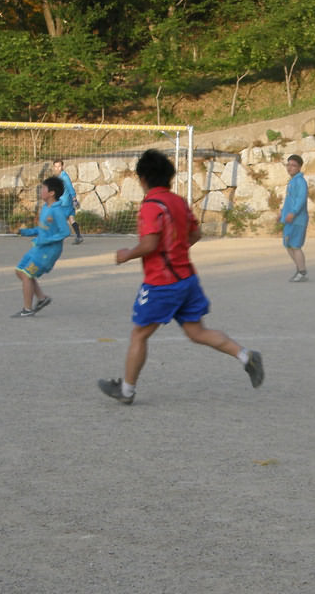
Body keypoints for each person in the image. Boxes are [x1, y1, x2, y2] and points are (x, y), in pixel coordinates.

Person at [98, 148, 263, 405]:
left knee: (139, 335)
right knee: (197, 332)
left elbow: (150, 243)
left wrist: (126, 255)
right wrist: (176, 250)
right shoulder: (178, 202)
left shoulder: (151, 206)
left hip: (162, 283)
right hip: (187, 278)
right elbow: (195, 235)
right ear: (169, 177)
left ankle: (126, 391)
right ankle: (245, 356)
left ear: (142, 179)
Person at [13, 176, 70, 317]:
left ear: (51, 193)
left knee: (27, 274)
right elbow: (42, 229)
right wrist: (26, 232)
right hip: (38, 248)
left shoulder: (57, 211)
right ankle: (42, 298)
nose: (41, 191)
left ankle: (27, 309)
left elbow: (65, 232)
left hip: (48, 252)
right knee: (20, 271)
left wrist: (45, 241)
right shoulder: (46, 207)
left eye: (44, 188)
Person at [281, 154, 309, 282]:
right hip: (289, 219)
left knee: (295, 246)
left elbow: (301, 200)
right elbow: (289, 201)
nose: (290, 168)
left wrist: (293, 212)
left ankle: (302, 272)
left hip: (297, 220)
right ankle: (299, 269)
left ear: (299, 167)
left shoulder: (300, 182)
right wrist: (282, 214)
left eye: (293, 165)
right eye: (288, 165)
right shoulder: (292, 182)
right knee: (288, 245)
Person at [51, 159, 83, 243]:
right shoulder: (59, 177)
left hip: (64, 202)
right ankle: (79, 237)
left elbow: (70, 188)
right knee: (71, 219)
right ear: (54, 167)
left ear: (62, 166)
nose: (58, 168)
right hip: (65, 201)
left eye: (59, 166)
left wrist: (74, 199)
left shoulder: (64, 176)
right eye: (56, 166)